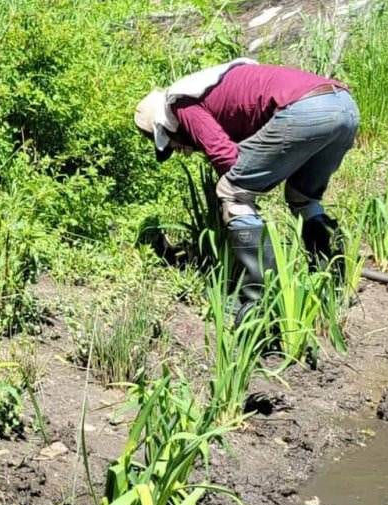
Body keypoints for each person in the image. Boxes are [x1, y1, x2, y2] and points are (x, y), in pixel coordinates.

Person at [132, 59, 358, 314]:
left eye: (173, 145)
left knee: (233, 193)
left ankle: (260, 304)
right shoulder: (212, 81)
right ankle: (331, 283)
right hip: (344, 105)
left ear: (164, 129)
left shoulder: (180, 104)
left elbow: (226, 157)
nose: (181, 151)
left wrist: (238, 195)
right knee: (302, 197)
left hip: (305, 109)